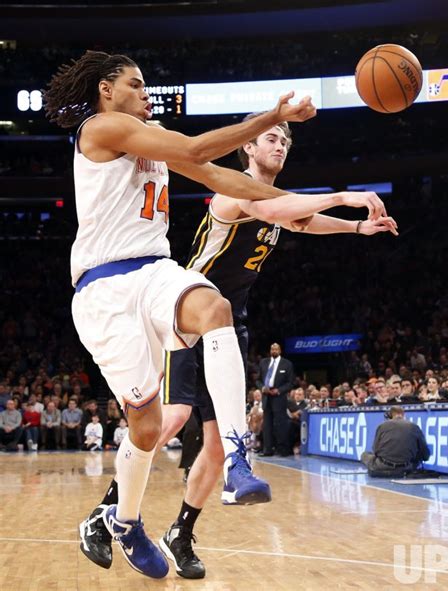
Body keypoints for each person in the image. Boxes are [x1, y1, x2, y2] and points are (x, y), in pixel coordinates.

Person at [74, 97, 397, 580]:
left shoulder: (274, 201)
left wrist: (355, 228)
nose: (280, 144)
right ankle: (107, 512)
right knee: (170, 416)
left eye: (285, 140)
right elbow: (283, 207)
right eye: (272, 136)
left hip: (230, 322)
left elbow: (298, 218)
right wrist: (343, 196)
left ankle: (181, 531)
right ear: (247, 146)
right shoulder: (233, 194)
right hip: (182, 315)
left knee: (214, 443)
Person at [44, 49, 321, 580]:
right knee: (146, 429)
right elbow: (195, 146)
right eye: (136, 83)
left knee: (214, 307)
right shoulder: (101, 128)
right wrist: (272, 117)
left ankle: (239, 462)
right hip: (103, 288)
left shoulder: (153, 137)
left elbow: (231, 182)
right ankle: (122, 521)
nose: (147, 92)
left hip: (154, 270)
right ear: (106, 90)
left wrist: (329, 202)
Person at [361, 406, 430, 477]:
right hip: (406, 468)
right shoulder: (414, 426)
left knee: (365, 455)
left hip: (382, 466)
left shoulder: (382, 426)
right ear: (403, 415)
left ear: (390, 415)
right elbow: (425, 454)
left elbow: (375, 450)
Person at [258, 343, 294, 456]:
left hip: (279, 397)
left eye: (276, 349)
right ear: (270, 350)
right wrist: (262, 387)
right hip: (266, 397)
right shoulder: (263, 362)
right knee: (267, 425)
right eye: (272, 349)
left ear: (280, 351)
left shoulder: (287, 364)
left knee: (280, 424)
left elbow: (290, 383)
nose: (274, 350)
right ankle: (267, 450)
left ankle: (282, 450)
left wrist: (279, 390)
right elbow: (258, 380)